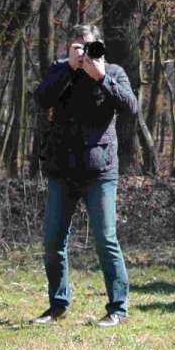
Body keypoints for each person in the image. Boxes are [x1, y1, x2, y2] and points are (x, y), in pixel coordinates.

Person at [32, 24, 138, 327]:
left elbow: (131, 108)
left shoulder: (113, 72)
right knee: (53, 241)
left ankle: (118, 308)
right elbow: (41, 99)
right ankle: (58, 305)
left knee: (106, 239)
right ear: (69, 49)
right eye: (77, 46)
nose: (84, 52)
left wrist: (101, 77)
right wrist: (68, 68)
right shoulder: (59, 70)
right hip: (61, 169)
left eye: (89, 45)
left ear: (99, 46)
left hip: (100, 169)